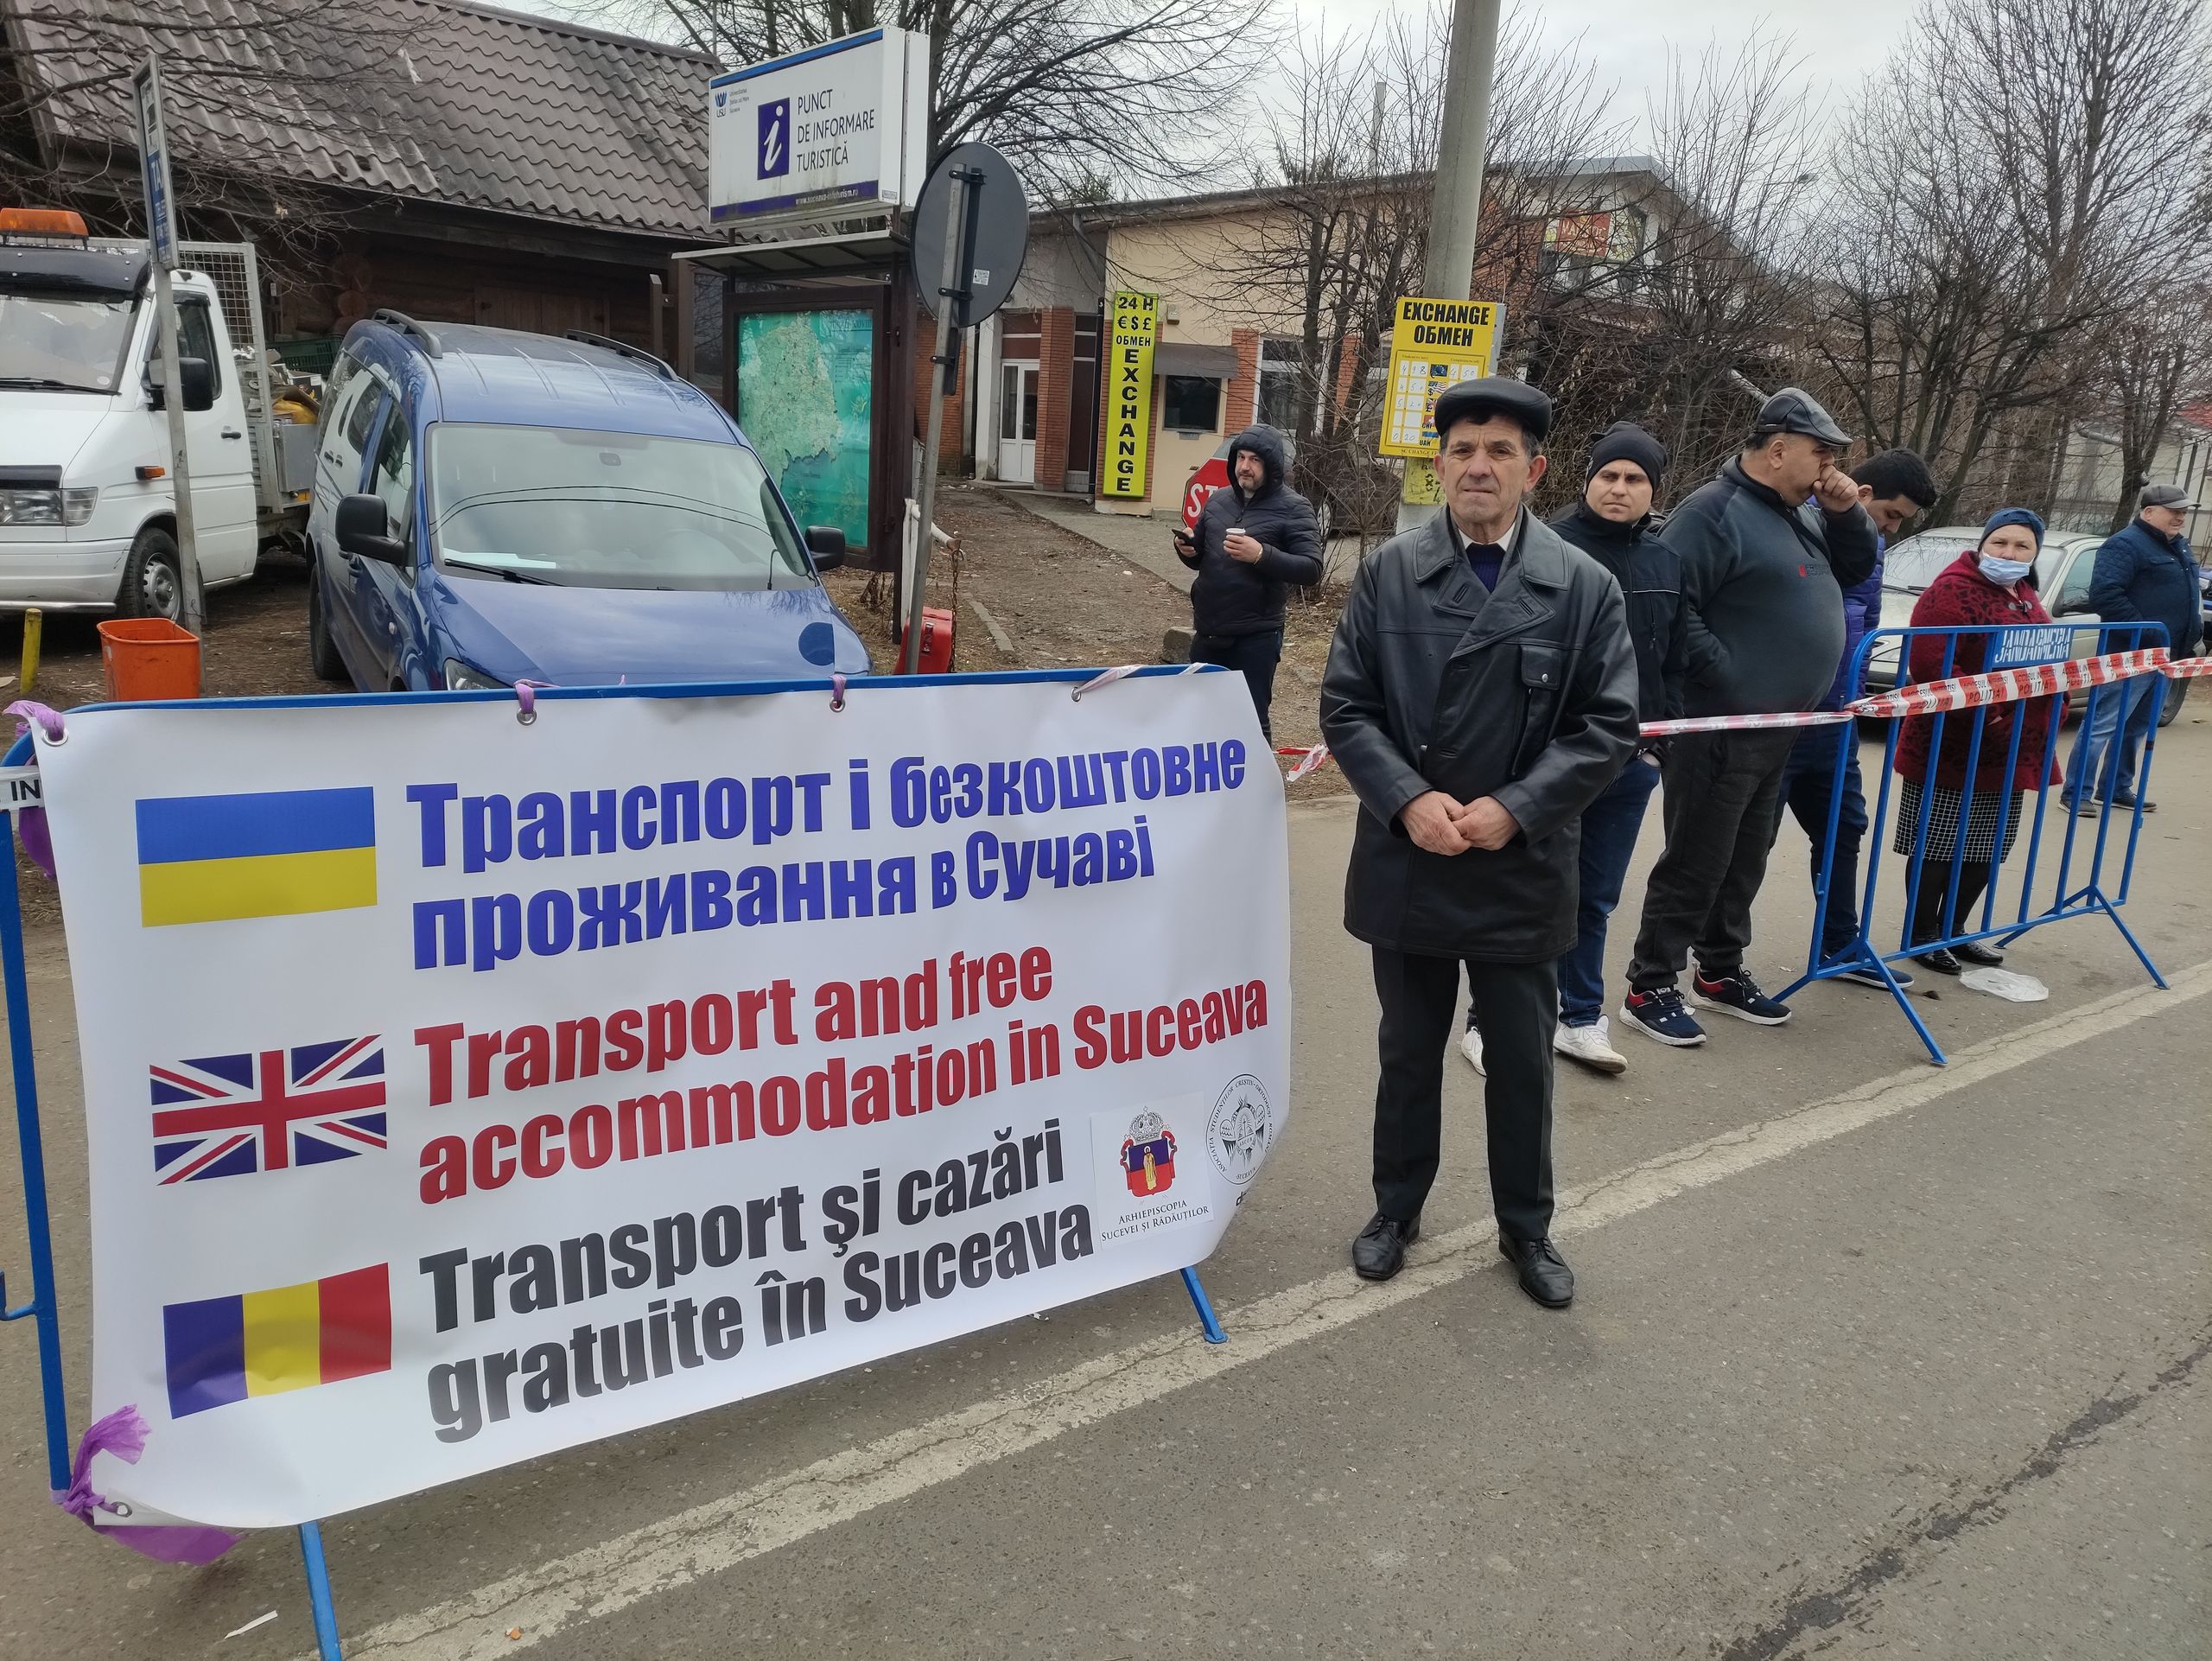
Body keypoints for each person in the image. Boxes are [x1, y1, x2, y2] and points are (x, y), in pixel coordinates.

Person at [1320, 378, 1639, 1305]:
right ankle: (1395, 1209)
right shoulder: (1390, 571)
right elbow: (1347, 704)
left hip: (1520, 865)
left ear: (1534, 471)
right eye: (1462, 449)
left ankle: (1526, 1227)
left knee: (1522, 1062)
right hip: (1411, 857)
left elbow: (1608, 726)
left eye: (1500, 450)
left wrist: (1515, 808)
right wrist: (1408, 797)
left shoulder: (1583, 585)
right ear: (1439, 464)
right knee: (1408, 1052)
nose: (1478, 466)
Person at [1619, 388, 1880, 1047]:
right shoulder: (1714, 512)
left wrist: (1846, 513)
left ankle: (1719, 970)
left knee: (1744, 857)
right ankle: (1650, 984)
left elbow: (1854, 570)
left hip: (1778, 727)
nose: (1829, 467)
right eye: (1822, 453)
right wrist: (1728, 675)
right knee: (1698, 857)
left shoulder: (1800, 514)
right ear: (1779, 449)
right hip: (1722, 724)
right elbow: (1668, 604)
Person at [1459, 420, 1682, 1078]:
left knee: (1595, 897)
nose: (1619, 488)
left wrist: (1660, 744)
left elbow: (1673, 657)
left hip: (1630, 761)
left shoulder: (1666, 562)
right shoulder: (1548, 551)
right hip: (1553, 763)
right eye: (1608, 475)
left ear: (1654, 490)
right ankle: (1486, 1021)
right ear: (1586, 481)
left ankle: (1580, 1017)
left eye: (1634, 479)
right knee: (1527, 894)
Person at [1773, 449, 1939, 989]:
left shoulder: (1874, 546)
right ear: (1862, 494)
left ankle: (1840, 944)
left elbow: (1866, 625)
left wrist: (1854, 698)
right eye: (1890, 514)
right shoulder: (1795, 527)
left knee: (1843, 828)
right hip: (1779, 718)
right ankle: (1716, 962)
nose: (1892, 527)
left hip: (1835, 720)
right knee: (1749, 844)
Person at [1892, 510, 2064, 971]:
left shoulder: (2026, 596)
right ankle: (1922, 934)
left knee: (1988, 846)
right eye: (2000, 543)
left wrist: (2054, 704)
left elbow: (2049, 659)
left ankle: (1955, 929)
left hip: (2011, 749)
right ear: (1983, 544)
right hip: (1954, 743)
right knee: (1939, 844)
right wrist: (1991, 718)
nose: (2009, 553)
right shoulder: (1950, 591)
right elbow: (1932, 665)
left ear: (2034, 554)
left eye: (2022, 546)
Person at [1173, 426, 1321, 741]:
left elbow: (1311, 569)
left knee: (1250, 721)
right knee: (1201, 718)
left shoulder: (1295, 508)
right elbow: (1202, 558)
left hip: (1256, 636)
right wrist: (1187, 548)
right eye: (1240, 458)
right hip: (1208, 631)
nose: (1245, 466)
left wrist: (1261, 555)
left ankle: (1257, 774)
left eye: (1254, 460)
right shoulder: (1218, 501)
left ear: (1271, 465)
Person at [2063, 483, 2202, 816]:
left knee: (2137, 727)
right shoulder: (2124, 544)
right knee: (2102, 725)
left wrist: (2191, 634)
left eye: (2183, 511)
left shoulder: (2178, 546)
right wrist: (2148, 633)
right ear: (2149, 512)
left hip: (2167, 657)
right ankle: (2076, 793)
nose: (2181, 517)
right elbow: (2106, 596)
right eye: (2174, 511)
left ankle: (2115, 788)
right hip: (2129, 656)